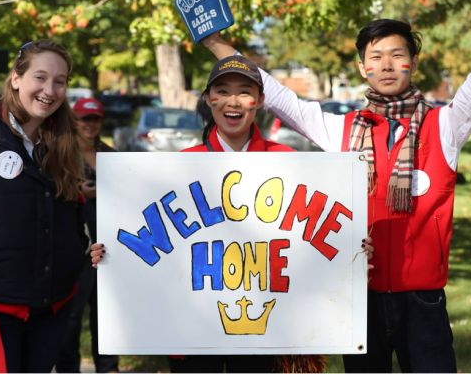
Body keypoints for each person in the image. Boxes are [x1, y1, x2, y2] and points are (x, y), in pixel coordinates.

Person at [199, 0, 471, 372]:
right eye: (376, 56)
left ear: (413, 63)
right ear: (363, 67)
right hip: (357, 294)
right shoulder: (341, 130)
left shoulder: (445, 125)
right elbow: (276, 95)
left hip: (423, 298)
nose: (386, 65)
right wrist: (215, 43)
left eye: (397, 55)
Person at [91, 55, 374, 372]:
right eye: (222, 91)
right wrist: (111, 256)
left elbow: (320, 243)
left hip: (266, 333)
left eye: (244, 91)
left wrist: (353, 250)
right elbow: (141, 246)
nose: (233, 101)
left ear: (260, 101)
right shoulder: (182, 165)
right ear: (209, 99)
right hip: (191, 330)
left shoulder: (290, 162)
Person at [0, 40, 88, 372]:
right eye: (40, 77)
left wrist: (86, 251)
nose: (50, 89)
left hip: (51, 312)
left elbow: (71, 225)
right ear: (16, 78)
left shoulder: (61, 145)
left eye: (60, 81)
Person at [56, 97, 120, 373]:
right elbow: (52, 194)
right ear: (74, 121)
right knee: (71, 317)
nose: (89, 125)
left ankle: (108, 368)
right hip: (75, 245)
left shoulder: (111, 154)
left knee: (107, 315)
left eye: (94, 119)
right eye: (83, 119)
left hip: (109, 246)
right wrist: (78, 191)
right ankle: (68, 368)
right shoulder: (62, 155)